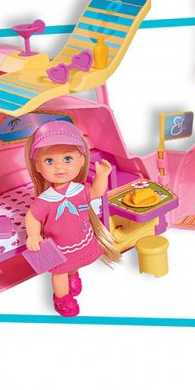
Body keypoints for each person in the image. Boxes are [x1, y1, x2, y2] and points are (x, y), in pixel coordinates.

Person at [24, 121, 120, 316]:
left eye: (67, 159)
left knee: (74, 262)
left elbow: (96, 191)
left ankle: (73, 276)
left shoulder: (79, 190)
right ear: (38, 166)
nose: (59, 166)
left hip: (80, 240)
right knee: (59, 271)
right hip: (58, 247)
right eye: (49, 161)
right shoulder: (45, 200)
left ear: (81, 160)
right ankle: (62, 299)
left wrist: (102, 175)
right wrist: (33, 235)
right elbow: (32, 216)